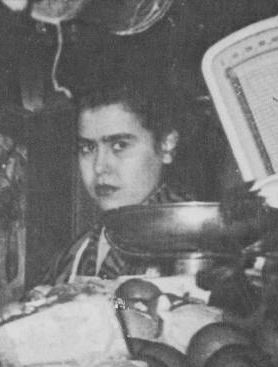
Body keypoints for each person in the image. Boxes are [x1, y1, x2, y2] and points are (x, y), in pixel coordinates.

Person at [50, 76, 190, 284]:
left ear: (166, 145)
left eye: (120, 145)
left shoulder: (196, 245)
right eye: (87, 148)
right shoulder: (76, 252)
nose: (99, 167)